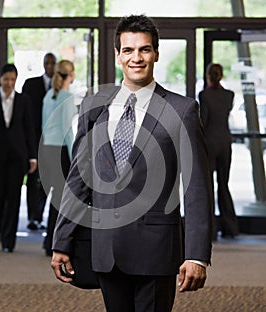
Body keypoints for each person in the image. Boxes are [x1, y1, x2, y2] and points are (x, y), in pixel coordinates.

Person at [51, 15, 213, 312]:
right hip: (106, 250)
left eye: (144, 49)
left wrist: (197, 255)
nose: (136, 57)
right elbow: (78, 179)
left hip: (156, 250)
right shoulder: (94, 106)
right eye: (128, 50)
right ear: (118, 55)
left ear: (156, 54)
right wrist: (62, 240)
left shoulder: (182, 109)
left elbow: (197, 187)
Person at [0, 63, 37, 252]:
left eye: (12, 79)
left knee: (13, 197)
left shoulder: (24, 100)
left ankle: (8, 241)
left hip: (18, 156)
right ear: (0, 79)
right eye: (6, 79)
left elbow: (29, 129)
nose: (9, 83)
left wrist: (32, 156)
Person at [39, 60, 77, 256]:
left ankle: (49, 241)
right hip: (61, 151)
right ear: (71, 75)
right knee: (63, 200)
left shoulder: (48, 96)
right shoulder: (67, 97)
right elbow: (68, 131)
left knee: (55, 197)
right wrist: (73, 157)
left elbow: (44, 127)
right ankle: (55, 242)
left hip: (47, 149)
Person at [199, 63, 239, 240]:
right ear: (221, 76)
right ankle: (230, 228)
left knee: (208, 187)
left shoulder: (204, 95)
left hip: (209, 144)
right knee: (224, 184)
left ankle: (211, 230)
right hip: (225, 143)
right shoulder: (229, 95)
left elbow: (204, 120)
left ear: (208, 76)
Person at [22, 52, 57, 231]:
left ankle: (39, 215)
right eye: (47, 63)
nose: (50, 66)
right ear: (43, 64)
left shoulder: (60, 87)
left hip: (53, 143)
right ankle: (32, 217)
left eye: (53, 63)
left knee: (47, 181)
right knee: (32, 180)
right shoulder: (31, 84)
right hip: (34, 141)